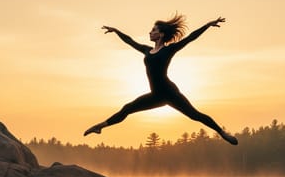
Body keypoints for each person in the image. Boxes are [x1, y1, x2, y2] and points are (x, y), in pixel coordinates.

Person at [84, 14, 238, 145]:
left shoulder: (169, 49)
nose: (150, 32)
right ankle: (101, 126)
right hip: (156, 96)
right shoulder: (146, 50)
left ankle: (222, 133)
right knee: (127, 108)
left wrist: (207, 25)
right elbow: (130, 41)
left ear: (161, 34)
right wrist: (116, 31)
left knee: (195, 115)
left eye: (153, 30)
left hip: (170, 93)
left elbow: (190, 38)